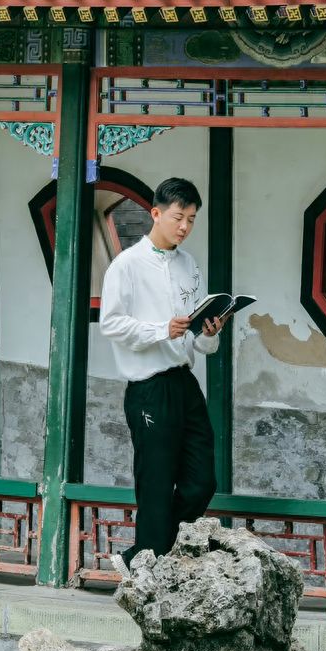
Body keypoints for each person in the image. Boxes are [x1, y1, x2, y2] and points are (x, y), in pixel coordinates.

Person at [98, 175, 223, 570]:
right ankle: (148, 560)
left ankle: (144, 555)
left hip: (185, 381)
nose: (184, 226)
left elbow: (198, 342)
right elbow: (111, 324)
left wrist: (208, 333)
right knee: (155, 479)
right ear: (155, 213)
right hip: (148, 387)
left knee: (202, 479)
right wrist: (160, 329)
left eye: (191, 219)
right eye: (177, 217)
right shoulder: (127, 266)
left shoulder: (189, 266)